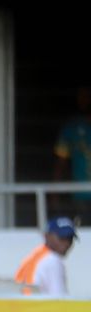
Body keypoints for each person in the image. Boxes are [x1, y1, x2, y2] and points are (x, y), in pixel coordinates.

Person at [52, 87, 91, 221]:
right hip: (81, 196)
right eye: (83, 97)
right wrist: (55, 196)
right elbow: (60, 165)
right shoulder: (72, 128)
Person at [15, 216, 78, 296]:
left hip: (21, 306)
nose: (67, 243)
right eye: (62, 237)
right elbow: (60, 300)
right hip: (37, 307)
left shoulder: (33, 256)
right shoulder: (53, 260)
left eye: (70, 238)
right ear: (47, 236)